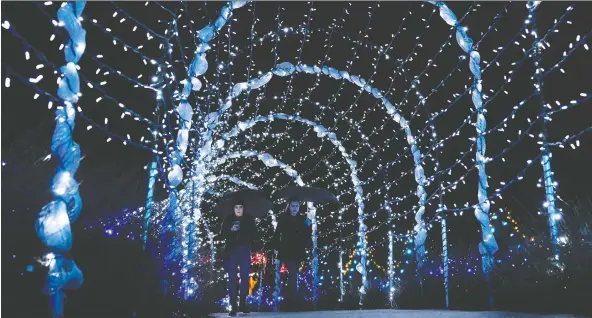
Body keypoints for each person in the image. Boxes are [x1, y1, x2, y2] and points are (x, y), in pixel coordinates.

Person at [272, 197, 312, 311]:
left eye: (297, 206)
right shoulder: (284, 218)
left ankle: (290, 300)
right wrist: (278, 247)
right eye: (293, 206)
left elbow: (305, 235)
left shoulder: (301, 218)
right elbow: (277, 233)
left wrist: (307, 226)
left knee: (294, 275)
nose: (295, 208)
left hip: (298, 250)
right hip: (287, 250)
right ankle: (291, 301)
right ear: (289, 206)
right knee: (293, 274)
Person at [220, 198, 259, 316]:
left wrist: (246, 233)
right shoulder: (228, 219)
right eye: (236, 207)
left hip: (244, 249)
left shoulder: (249, 219)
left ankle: (242, 302)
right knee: (232, 278)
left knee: (244, 275)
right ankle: (233, 306)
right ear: (233, 209)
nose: (238, 209)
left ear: (243, 208)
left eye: (240, 207)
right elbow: (222, 234)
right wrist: (231, 230)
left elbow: (255, 234)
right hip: (231, 250)